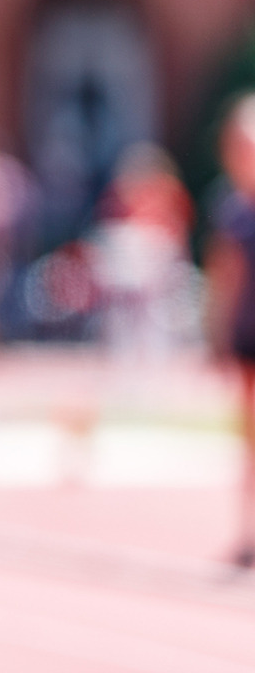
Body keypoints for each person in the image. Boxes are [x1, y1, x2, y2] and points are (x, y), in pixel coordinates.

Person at [204, 93, 255, 569]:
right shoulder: (233, 206)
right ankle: (248, 533)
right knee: (250, 439)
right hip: (248, 337)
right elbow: (225, 274)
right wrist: (217, 333)